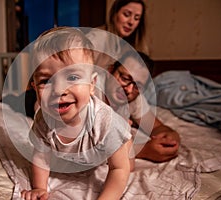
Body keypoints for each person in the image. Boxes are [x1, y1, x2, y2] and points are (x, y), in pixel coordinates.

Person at [21, 27, 134, 200]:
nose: (59, 90)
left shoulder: (104, 122)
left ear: (91, 84)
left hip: (109, 142)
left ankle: (127, 136)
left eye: (72, 77)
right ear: (34, 86)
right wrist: (39, 188)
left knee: (126, 161)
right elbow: (41, 157)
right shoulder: (43, 119)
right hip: (82, 155)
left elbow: (119, 169)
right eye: (46, 81)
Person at [104, 50, 180, 163]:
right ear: (110, 71)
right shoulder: (90, 92)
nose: (128, 89)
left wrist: (170, 138)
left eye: (138, 86)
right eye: (124, 78)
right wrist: (143, 151)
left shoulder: (134, 96)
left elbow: (156, 127)